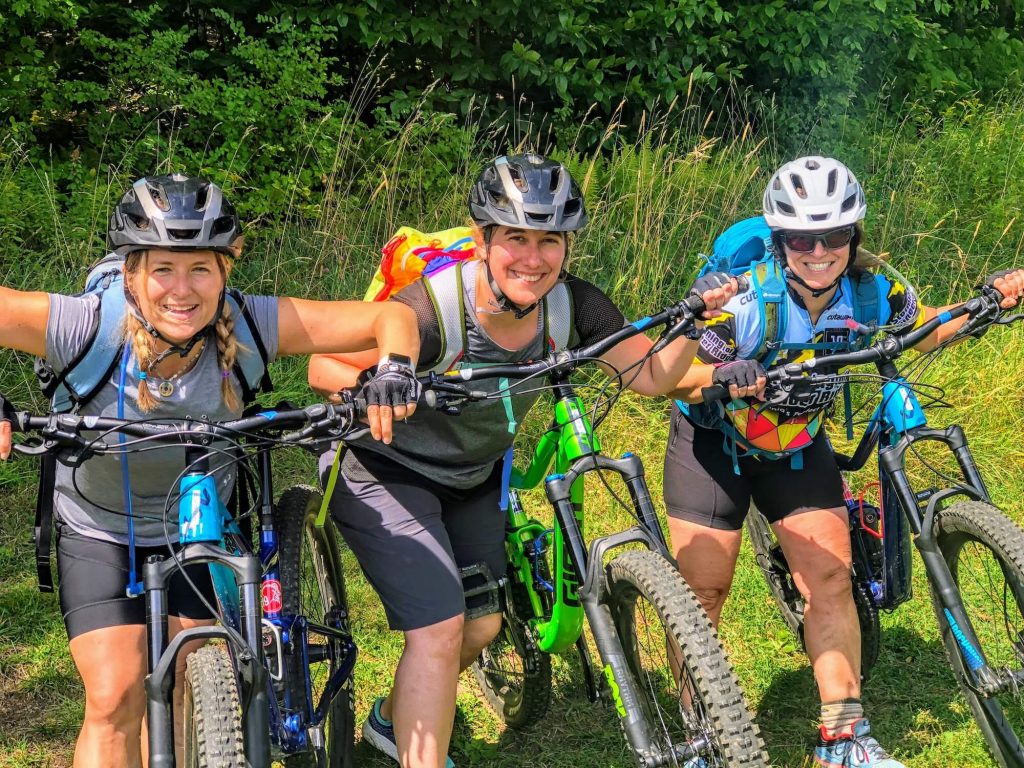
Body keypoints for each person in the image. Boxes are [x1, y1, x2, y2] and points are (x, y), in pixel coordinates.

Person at [307, 152, 737, 768]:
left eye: (549, 241)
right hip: (385, 470)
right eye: (515, 239)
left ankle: (389, 719)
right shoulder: (433, 308)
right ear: (484, 240)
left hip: (472, 476)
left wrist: (697, 321)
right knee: (440, 628)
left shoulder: (571, 306)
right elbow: (322, 365)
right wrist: (374, 384)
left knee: (481, 628)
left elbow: (650, 377)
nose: (533, 259)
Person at [0, 173, 421, 768]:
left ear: (226, 271)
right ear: (131, 273)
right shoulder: (85, 324)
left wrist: (395, 369)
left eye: (201, 269)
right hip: (99, 529)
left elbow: (389, 320)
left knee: (179, 683)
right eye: (163, 270)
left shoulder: (251, 326)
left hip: (196, 526)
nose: (182, 290)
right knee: (115, 695)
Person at [666, 156, 1024, 768]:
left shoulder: (872, 289)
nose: (819, 250)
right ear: (781, 239)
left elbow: (921, 326)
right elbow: (679, 376)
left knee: (830, 580)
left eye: (834, 235)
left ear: (853, 236)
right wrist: (725, 372)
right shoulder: (746, 298)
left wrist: (985, 302)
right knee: (704, 590)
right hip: (714, 445)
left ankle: (844, 737)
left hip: (798, 445)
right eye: (802, 237)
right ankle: (696, 735)